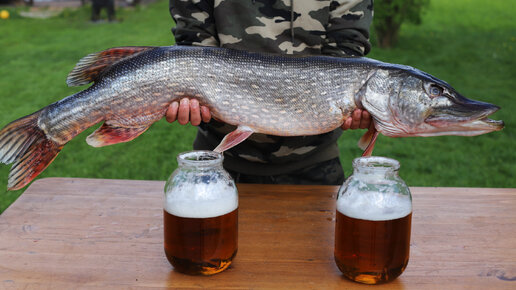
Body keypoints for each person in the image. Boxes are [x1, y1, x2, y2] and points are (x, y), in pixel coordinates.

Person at [166, 0, 373, 185]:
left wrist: (352, 104)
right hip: (216, 160)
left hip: (314, 164)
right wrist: (191, 96)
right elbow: (194, 50)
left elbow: (346, 55)